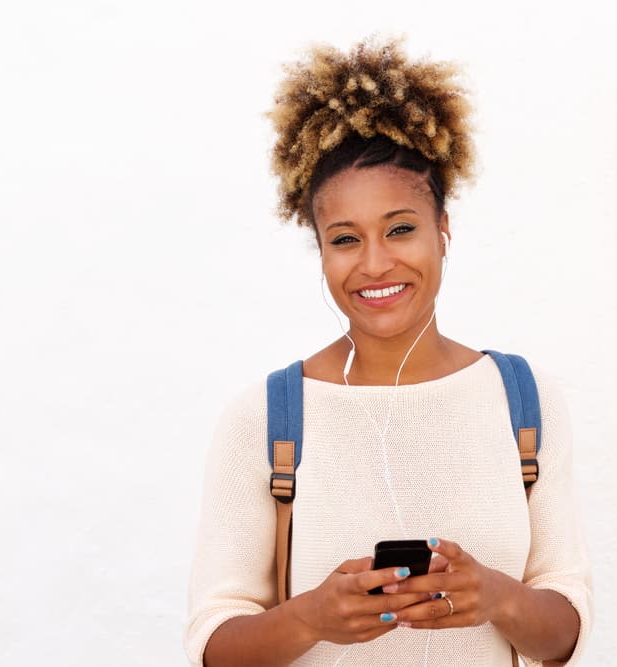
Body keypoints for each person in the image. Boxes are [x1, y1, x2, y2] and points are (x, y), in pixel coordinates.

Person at [183, 36, 593, 666]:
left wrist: (496, 597)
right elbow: (213, 647)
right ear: (320, 249)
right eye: (345, 238)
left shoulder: (523, 402)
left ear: (443, 230)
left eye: (401, 228)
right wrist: (310, 617)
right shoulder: (265, 419)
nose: (375, 264)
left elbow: (565, 633)